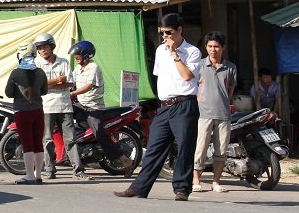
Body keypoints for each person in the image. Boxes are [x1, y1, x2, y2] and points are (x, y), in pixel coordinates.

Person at [115, 13, 202, 201]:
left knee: (185, 148)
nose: (165, 37)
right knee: (154, 147)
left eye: (168, 32)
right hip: (165, 106)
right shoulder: (160, 50)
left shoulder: (193, 52)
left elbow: (187, 76)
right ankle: (140, 187)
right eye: (162, 33)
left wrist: (175, 54)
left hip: (184, 103)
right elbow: (159, 76)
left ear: (179, 30)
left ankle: (182, 189)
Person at [67, 40, 135, 178]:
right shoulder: (78, 69)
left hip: (93, 107)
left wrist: (72, 94)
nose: (76, 57)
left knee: (99, 134)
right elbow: (71, 83)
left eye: (78, 55)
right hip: (81, 105)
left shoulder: (94, 67)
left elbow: (89, 86)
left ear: (86, 54)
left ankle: (126, 161)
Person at [35, 33, 85, 180]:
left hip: (64, 107)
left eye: (45, 47)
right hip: (46, 107)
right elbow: (38, 85)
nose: (43, 50)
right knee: (48, 140)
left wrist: (48, 84)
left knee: (70, 140)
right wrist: (58, 80)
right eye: (40, 48)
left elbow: (70, 83)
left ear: (52, 47)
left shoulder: (64, 62)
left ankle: (79, 170)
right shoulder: (37, 65)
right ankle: (49, 169)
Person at [193, 32, 237, 193]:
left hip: (224, 115)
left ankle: (216, 182)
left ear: (223, 48)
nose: (213, 49)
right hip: (203, 114)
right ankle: (196, 180)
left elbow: (230, 89)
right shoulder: (199, 65)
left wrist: (223, 102)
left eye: (216, 46)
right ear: (206, 47)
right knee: (201, 149)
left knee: (221, 151)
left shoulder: (231, 67)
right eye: (210, 46)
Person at [5, 43, 48, 184]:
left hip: (22, 112)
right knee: (38, 143)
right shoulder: (41, 72)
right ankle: (38, 175)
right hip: (38, 111)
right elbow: (44, 91)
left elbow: (9, 93)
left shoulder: (15, 73)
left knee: (27, 143)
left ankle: (29, 175)